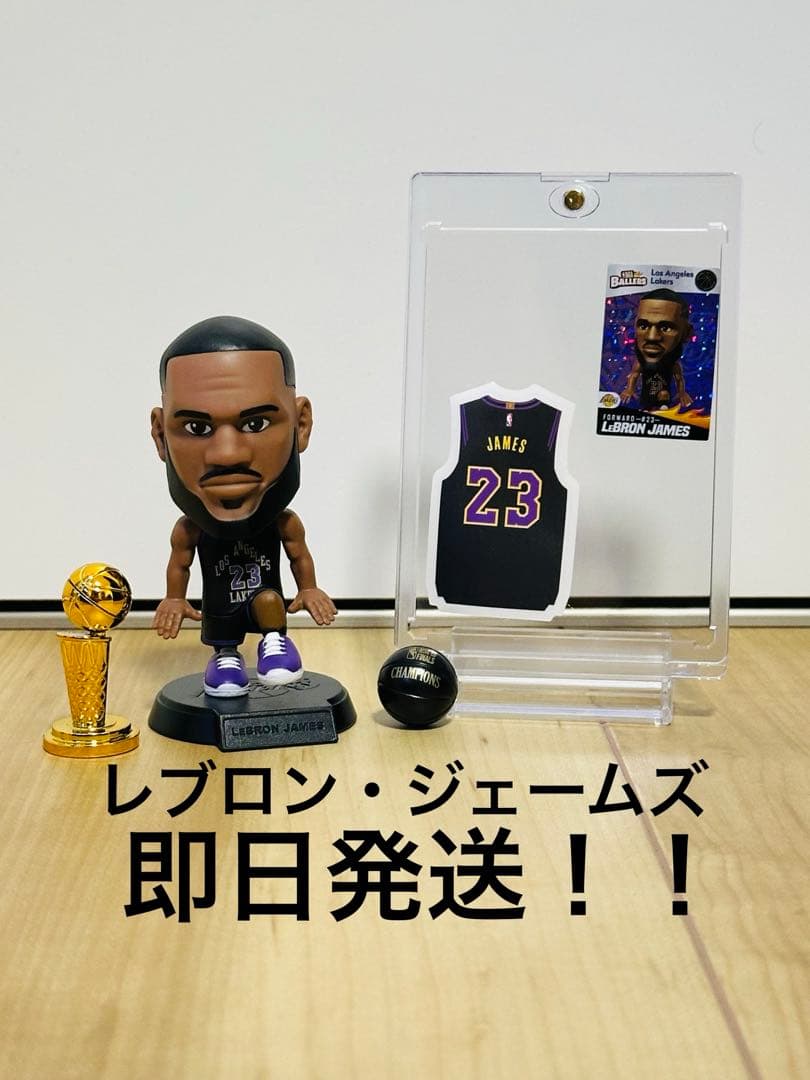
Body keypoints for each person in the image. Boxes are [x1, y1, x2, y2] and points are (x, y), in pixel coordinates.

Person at [149, 315, 336, 697]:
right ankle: (225, 657)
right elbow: (180, 562)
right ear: (160, 435)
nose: (227, 454)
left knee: (269, 601)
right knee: (222, 630)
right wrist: (174, 598)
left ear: (301, 424)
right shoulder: (190, 530)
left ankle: (274, 643)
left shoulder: (283, 523)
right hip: (220, 610)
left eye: (255, 424)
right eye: (197, 428)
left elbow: (298, 554)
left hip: (266, 603)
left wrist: (310, 588)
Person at [619, 289, 694, 410]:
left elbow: (679, 379)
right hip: (646, 399)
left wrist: (682, 393)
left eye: (666, 328)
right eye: (643, 326)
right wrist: (629, 389)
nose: (652, 337)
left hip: (664, 399)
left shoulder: (674, 365)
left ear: (686, 333)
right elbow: (634, 375)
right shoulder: (641, 363)